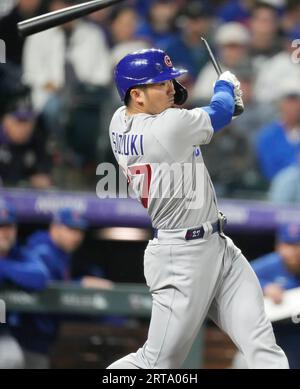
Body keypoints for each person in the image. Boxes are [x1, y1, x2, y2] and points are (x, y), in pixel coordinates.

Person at [106, 48, 288, 369]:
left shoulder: (119, 121)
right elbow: (216, 113)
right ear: (136, 95)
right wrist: (225, 85)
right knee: (157, 362)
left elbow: (188, 113)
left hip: (219, 248)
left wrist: (226, 104)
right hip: (181, 258)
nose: (170, 87)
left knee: (261, 344)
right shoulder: (166, 128)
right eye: (159, 83)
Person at [233, 223, 300, 369]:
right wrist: (264, 287)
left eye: (297, 245)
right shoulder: (270, 264)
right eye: (288, 245)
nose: (294, 251)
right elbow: (238, 278)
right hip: (270, 331)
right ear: (279, 246)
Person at [0, 199, 49, 369]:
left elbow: (39, 277)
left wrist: (3, 266)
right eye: (0, 227)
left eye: (9, 226)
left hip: (4, 332)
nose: (6, 232)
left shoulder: (18, 255)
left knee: (10, 358)